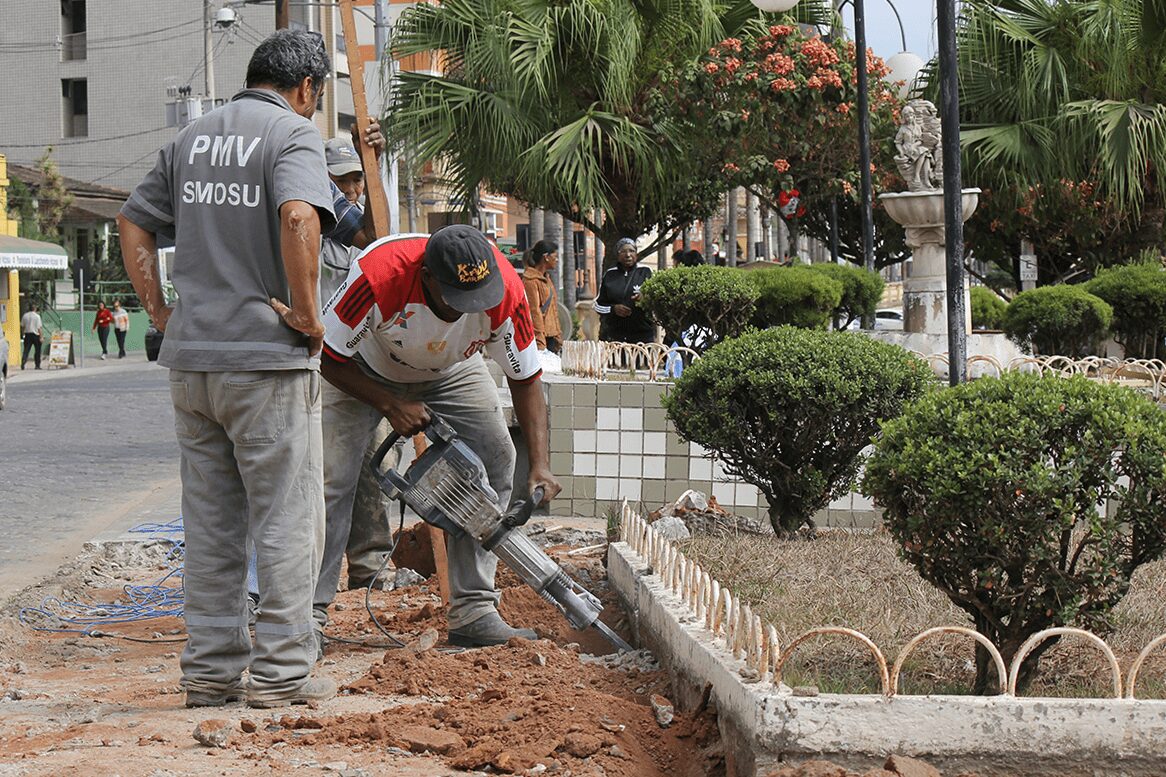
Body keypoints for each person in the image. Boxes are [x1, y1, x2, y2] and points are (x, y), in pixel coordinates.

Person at [118, 29, 338, 710]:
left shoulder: (193, 138)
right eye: (317, 96)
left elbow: (133, 224)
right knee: (286, 520)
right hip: (266, 362)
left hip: (194, 365)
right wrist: (307, 314)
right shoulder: (292, 135)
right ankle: (280, 674)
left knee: (211, 523)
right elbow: (300, 216)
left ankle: (210, 673)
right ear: (305, 88)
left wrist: (160, 313)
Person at [317, 225, 562, 648]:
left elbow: (525, 378)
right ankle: (307, 618)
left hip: (453, 370)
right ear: (427, 277)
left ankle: (474, 611)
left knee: (496, 455)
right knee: (329, 482)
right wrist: (390, 404)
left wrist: (539, 462)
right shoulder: (377, 276)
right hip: (362, 369)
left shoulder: (505, 287)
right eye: (457, 301)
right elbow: (326, 355)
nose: (467, 311)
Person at [594, 238, 654, 343]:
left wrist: (644, 299)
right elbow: (598, 306)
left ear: (636, 254)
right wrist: (613, 309)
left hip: (642, 336)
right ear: (618, 255)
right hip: (615, 337)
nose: (628, 255)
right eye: (623, 251)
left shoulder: (646, 272)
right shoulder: (609, 275)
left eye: (632, 251)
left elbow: (657, 299)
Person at [520, 239, 563, 354]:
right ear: (546, 257)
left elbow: (552, 310)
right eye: (555, 256)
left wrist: (558, 335)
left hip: (551, 337)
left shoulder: (546, 279)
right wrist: (540, 343)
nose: (557, 260)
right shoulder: (530, 281)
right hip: (541, 340)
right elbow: (534, 312)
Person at [20, 304, 43, 370]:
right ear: (35, 309)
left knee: (26, 350)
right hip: (35, 335)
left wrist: (23, 334)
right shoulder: (37, 316)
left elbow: (22, 326)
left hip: (27, 335)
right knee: (37, 350)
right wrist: (41, 337)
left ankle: (24, 360)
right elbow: (39, 328)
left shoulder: (25, 316)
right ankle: (37, 365)